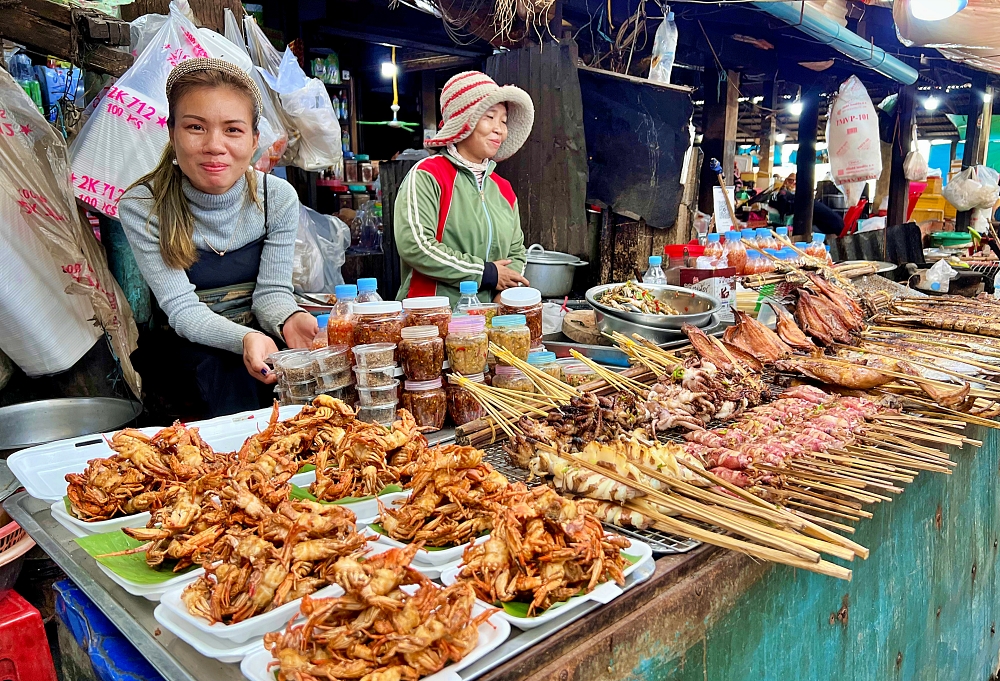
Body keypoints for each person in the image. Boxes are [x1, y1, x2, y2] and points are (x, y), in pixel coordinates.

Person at [118, 58, 316, 421]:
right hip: (186, 360)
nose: (214, 145)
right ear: (172, 132)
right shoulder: (143, 205)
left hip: (259, 344)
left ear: (255, 140)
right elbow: (182, 310)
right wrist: (243, 339)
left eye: (233, 130)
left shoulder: (277, 198)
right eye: (196, 127)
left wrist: (289, 317)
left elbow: (271, 294)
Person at [394, 71, 535, 305]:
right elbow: (416, 245)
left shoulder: (503, 190)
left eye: (503, 120)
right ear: (464, 122)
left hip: (488, 321)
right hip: (431, 318)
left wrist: (506, 290)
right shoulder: (428, 175)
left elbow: (516, 252)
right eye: (490, 117)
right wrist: (485, 273)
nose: (500, 129)